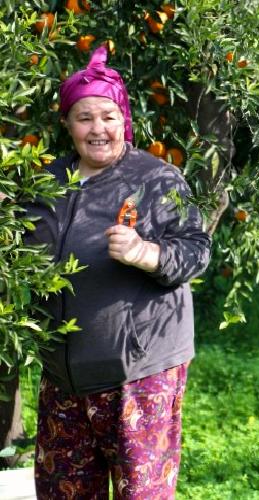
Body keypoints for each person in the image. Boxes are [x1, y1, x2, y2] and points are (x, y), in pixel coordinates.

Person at [24, 45, 211, 499]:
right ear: (68, 124)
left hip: (138, 376)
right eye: (84, 117)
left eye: (108, 116)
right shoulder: (45, 183)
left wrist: (145, 252)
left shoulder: (159, 178)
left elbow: (197, 251)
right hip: (63, 381)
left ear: (124, 118)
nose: (98, 129)